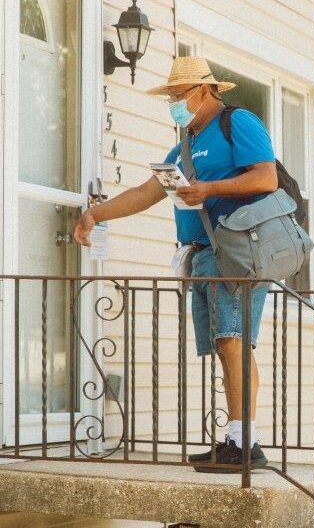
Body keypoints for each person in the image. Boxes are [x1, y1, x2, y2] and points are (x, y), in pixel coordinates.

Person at [73, 57, 278, 472]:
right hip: (204, 255)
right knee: (226, 345)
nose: (173, 104)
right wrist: (97, 214)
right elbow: (147, 192)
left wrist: (210, 187)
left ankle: (245, 446)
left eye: (178, 96)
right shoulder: (183, 145)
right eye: (170, 98)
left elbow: (265, 178)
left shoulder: (237, 123)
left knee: (234, 340)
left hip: (239, 251)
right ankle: (239, 441)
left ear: (204, 91)